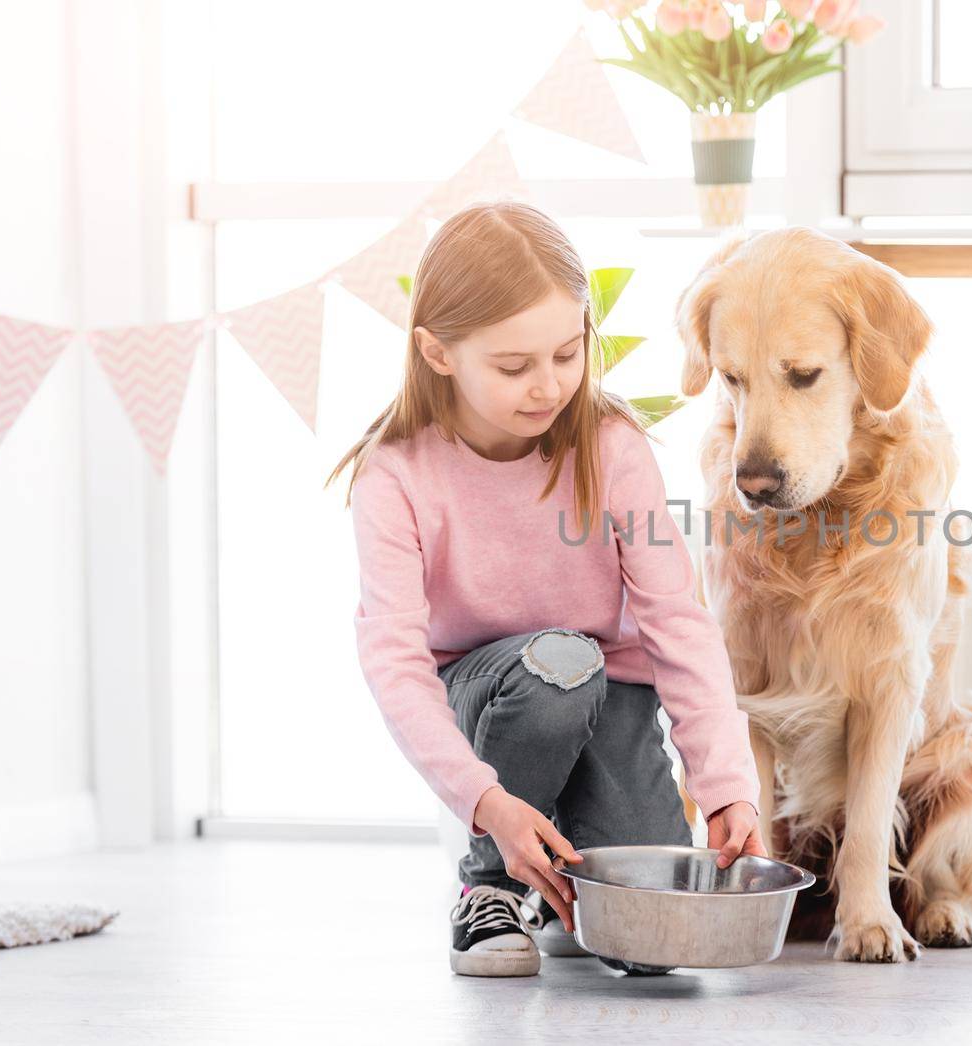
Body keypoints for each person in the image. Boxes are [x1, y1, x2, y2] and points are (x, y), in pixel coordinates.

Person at [327, 200, 763, 977]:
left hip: (610, 691)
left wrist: (728, 785)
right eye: (514, 366)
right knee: (561, 664)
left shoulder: (613, 446)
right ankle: (489, 887)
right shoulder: (394, 474)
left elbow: (678, 621)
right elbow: (394, 661)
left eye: (568, 353)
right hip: (489, 694)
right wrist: (483, 805)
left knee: (651, 944)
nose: (549, 386)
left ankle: (564, 891)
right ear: (437, 353)